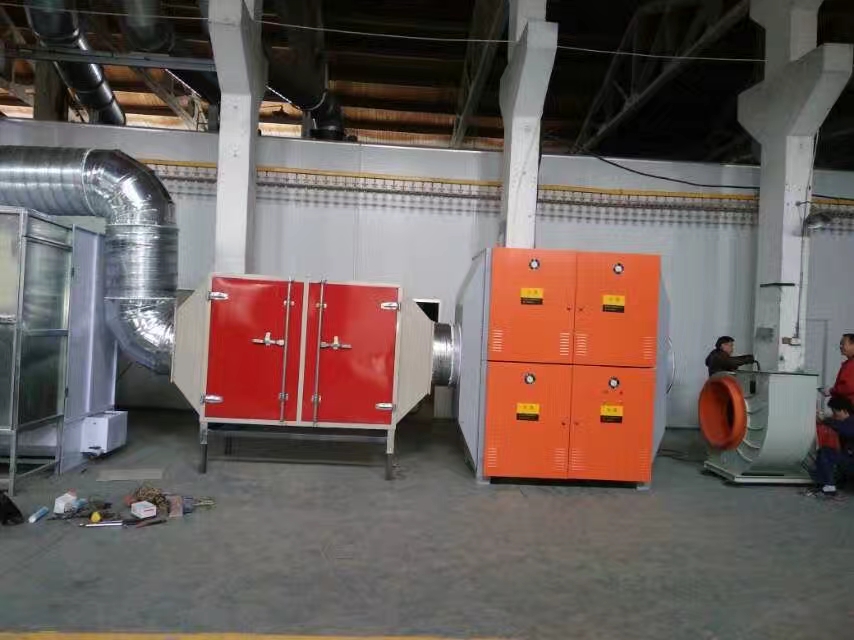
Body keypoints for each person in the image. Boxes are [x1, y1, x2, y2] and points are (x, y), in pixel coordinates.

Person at [811, 395, 854, 497]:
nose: (834, 415)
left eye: (835, 412)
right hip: (849, 460)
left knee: (826, 452)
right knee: (827, 452)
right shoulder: (846, 422)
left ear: (844, 411)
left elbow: (847, 430)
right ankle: (826, 484)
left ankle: (829, 486)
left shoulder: (851, 421)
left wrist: (825, 420)